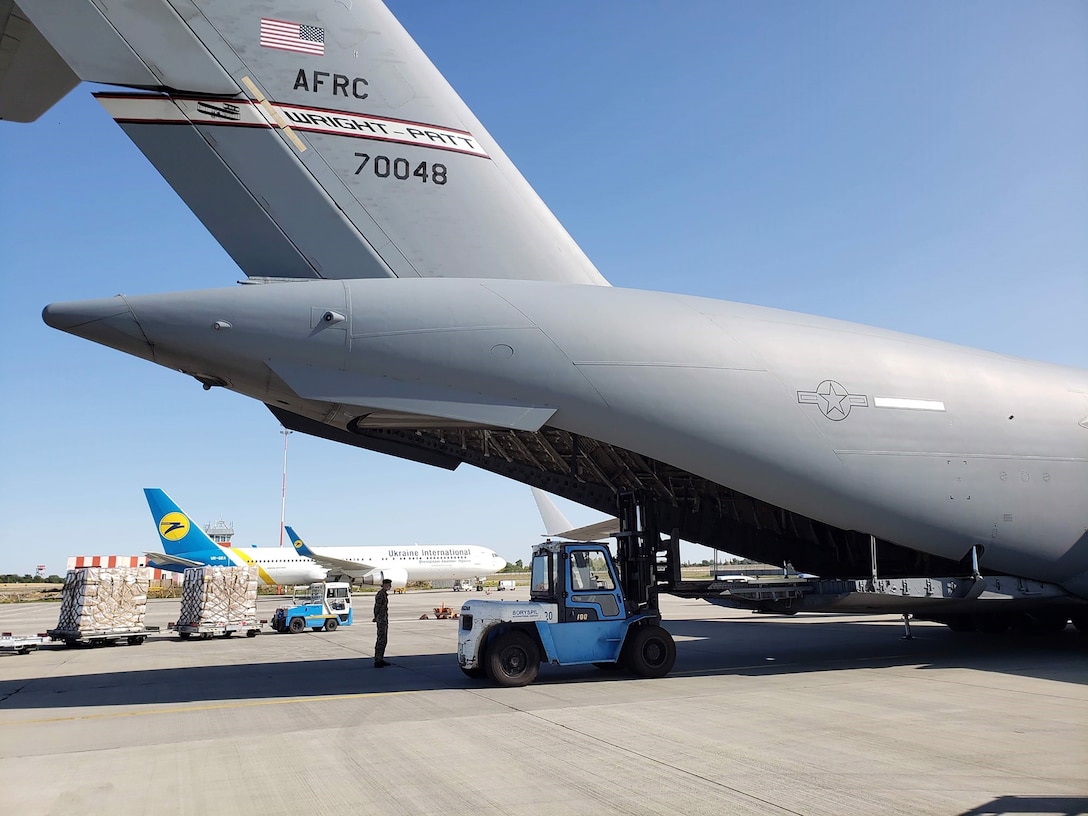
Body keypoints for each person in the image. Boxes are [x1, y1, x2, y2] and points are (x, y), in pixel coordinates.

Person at [373, 578, 392, 668]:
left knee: (384, 640)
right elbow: (377, 607)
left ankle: (380, 658)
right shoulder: (381, 594)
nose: (389, 587)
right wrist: (376, 617)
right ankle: (378, 660)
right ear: (384, 585)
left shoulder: (384, 594)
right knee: (381, 639)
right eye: (388, 585)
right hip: (381, 619)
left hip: (383, 619)